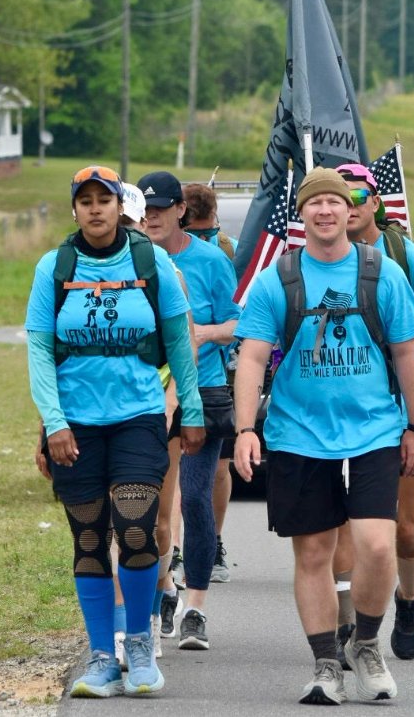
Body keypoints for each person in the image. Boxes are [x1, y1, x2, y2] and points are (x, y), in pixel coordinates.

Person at [232, 167, 414, 705]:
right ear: (302, 213)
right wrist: (245, 429)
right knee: (314, 553)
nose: (325, 211)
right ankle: (325, 665)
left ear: (350, 211)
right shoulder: (279, 279)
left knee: (375, 544)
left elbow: (410, 350)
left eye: (334, 202)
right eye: (314, 202)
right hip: (297, 434)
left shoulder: (381, 273)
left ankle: (365, 644)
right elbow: (251, 356)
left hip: (373, 432)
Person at [25, 165, 204, 698]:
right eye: (86, 201)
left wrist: (190, 409)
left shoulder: (154, 262)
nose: (96, 208)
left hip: (139, 417)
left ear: (117, 206)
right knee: (87, 539)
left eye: (105, 199)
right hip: (75, 426)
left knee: (134, 530)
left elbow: (179, 341)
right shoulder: (52, 268)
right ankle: (102, 657)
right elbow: (39, 349)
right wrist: (53, 422)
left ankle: (140, 646)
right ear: (74, 209)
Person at [331, 162, 414, 663]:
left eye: (360, 192)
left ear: (376, 201)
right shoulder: (313, 260)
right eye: (341, 193)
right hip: (331, 416)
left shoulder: (412, 261)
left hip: (397, 417)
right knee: (340, 529)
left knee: (403, 530)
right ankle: (346, 629)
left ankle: (410, 598)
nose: (351, 202)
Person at [137, 170, 240, 650]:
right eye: (145, 208)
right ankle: (164, 588)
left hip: (205, 392)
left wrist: (202, 335)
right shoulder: (127, 262)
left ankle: (195, 606)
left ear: (182, 210)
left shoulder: (211, 260)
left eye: (162, 207)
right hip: (147, 399)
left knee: (195, 497)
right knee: (154, 510)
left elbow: (237, 324)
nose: (152, 216)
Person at [182, 182, 239, 584]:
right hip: (172, 382)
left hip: (219, 372)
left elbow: (237, 320)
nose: (207, 238)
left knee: (217, 468)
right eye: (198, 233)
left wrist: (204, 334)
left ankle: (212, 540)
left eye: (210, 231)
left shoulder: (225, 250)